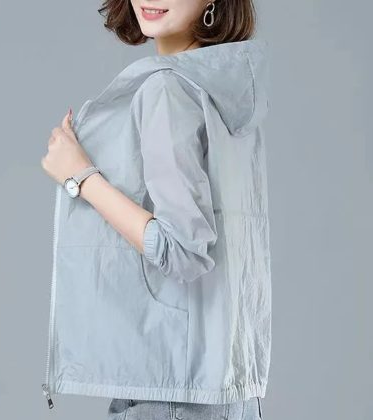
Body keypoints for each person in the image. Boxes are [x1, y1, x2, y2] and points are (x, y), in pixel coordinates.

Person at [40, 0, 271, 419]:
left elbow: (183, 250)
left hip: (168, 392)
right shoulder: (226, 87)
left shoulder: (167, 89)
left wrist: (81, 177)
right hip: (228, 392)